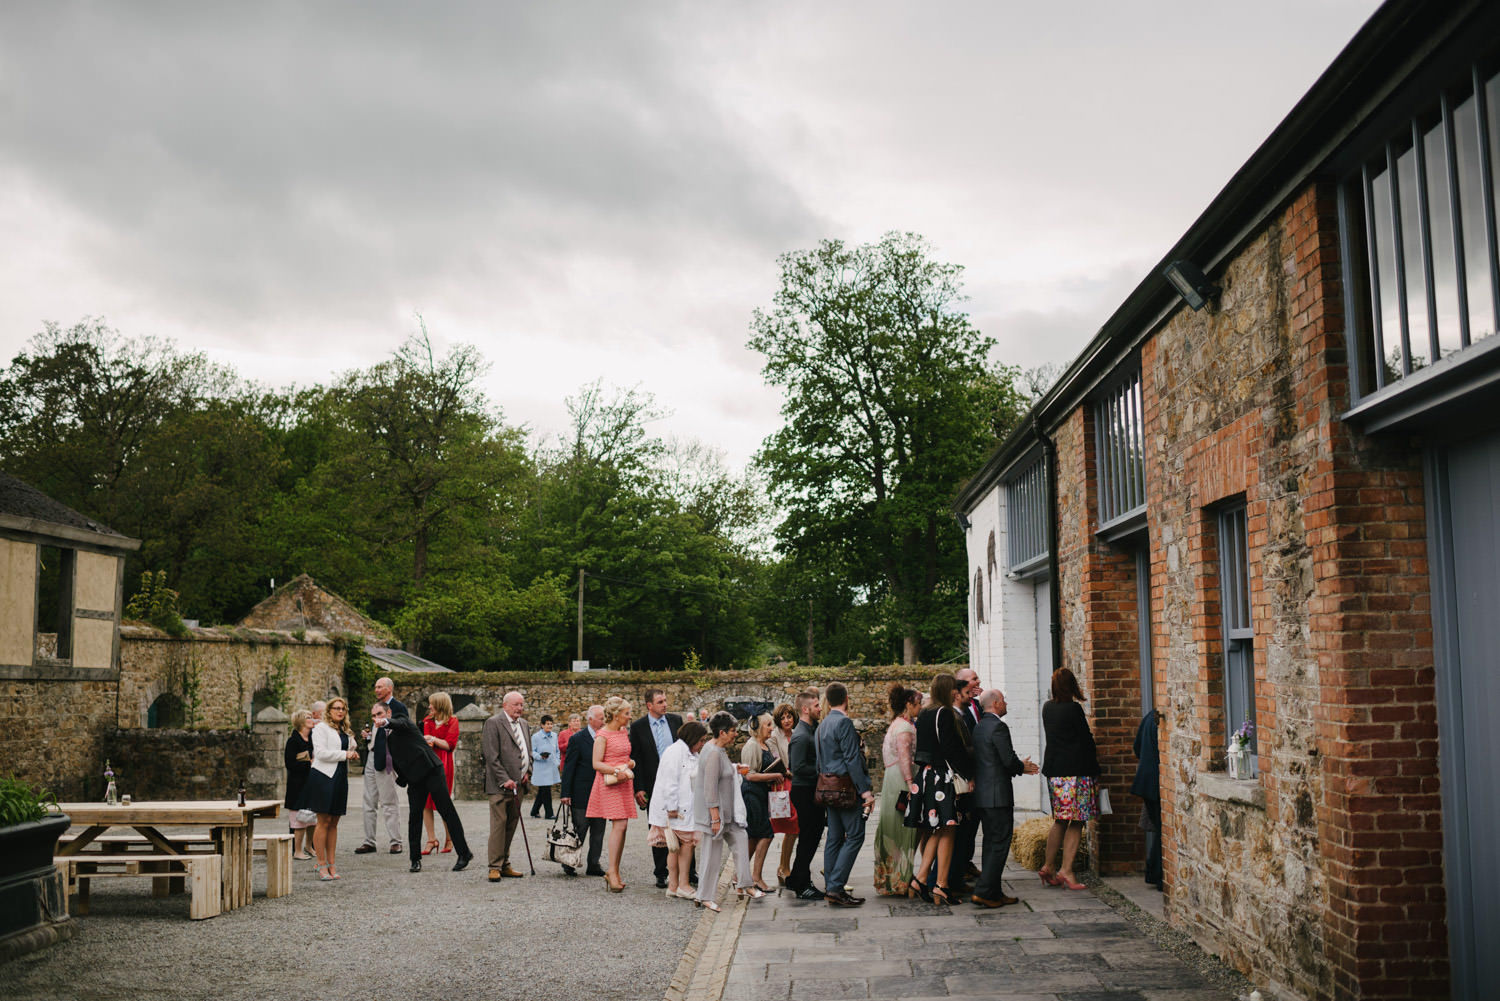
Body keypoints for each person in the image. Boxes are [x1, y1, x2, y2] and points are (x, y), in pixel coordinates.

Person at [369, 702, 474, 873]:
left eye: (380, 714)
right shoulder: (382, 733)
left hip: (431, 770)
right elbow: (395, 756)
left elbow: (398, 723)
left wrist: (386, 722)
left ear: (388, 712)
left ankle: (464, 853)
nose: (377, 719)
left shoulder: (401, 721)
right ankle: (415, 859)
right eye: (374, 716)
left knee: (446, 810)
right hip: (414, 778)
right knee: (415, 816)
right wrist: (402, 779)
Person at [907, 673, 974, 906]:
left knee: (936, 829)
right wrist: (969, 774)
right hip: (942, 778)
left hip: (925, 775)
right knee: (948, 829)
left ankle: (922, 878)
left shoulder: (924, 712)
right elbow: (951, 749)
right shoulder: (944, 713)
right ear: (948, 690)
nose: (957, 692)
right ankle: (941, 885)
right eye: (954, 688)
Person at [971, 689, 1039, 907]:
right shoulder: (998, 726)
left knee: (991, 843)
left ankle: (993, 891)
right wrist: (1022, 767)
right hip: (997, 795)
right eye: (1004, 700)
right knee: (999, 843)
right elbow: (1007, 760)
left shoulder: (979, 726)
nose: (1006, 703)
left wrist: (1018, 766)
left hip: (983, 794)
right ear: (997, 703)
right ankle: (985, 892)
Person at [692, 711, 762, 911]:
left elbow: (721, 771)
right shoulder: (713, 752)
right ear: (721, 733)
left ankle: (745, 884)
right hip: (717, 815)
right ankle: (704, 896)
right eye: (732, 731)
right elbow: (710, 786)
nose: (735, 734)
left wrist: (735, 768)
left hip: (727, 813)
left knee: (741, 840)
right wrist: (714, 817)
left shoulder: (718, 750)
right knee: (711, 856)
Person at [1040, 667, 1101, 891]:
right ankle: (1066, 870)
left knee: (1059, 820)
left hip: (1055, 772)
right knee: (1076, 821)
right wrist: (1096, 769)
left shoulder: (1047, 708)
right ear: (1071, 685)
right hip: (1076, 772)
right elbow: (1086, 741)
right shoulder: (1073, 709)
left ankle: (1048, 866)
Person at [815, 682, 873, 907]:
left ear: (827, 701)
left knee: (835, 837)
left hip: (827, 786)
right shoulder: (844, 723)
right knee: (856, 835)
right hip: (846, 788)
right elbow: (852, 759)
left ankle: (832, 886)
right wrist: (865, 792)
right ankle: (836, 886)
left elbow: (819, 761)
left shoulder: (822, 725)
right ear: (846, 698)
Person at [628, 689, 683, 889]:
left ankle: (688, 871)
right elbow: (637, 759)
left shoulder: (676, 721)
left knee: (683, 826)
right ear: (649, 705)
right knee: (658, 827)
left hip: (677, 782)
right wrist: (638, 788)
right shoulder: (638, 727)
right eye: (660, 701)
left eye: (665, 700)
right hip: (652, 784)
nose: (665, 704)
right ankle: (661, 872)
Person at [648, 720, 708, 899]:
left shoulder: (691, 753)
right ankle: (683, 884)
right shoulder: (675, 752)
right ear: (693, 738)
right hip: (675, 809)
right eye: (701, 740)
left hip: (682, 807)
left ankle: (673, 886)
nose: (703, 744)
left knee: (674, 847)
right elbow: (670, 781)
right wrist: (672, 807)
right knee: (686, 844)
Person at [306, 697, 360, 880]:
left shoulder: (344, 729)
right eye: (336, 708)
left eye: (343, 709)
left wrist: (352, 748)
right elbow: (320, 753)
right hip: (323, 776)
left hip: (340, 777)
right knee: (323, 821)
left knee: (334, 822)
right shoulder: (321, 728)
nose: (340, 711)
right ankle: (321, 865)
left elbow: (349, 745)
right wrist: (345, 754)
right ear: (329, 711)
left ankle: (332, 864)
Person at [873, 685, 919, 897]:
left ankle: (890, 878)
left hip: (892, 779)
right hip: (900, 779)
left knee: (892, 827)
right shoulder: (904, 728)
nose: (919, 707)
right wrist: (910, 784)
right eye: (917, 702)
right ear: (909, 704)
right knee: (902, 829)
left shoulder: (896, 725)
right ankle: (900, 880)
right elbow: (904, 758)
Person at [481, 691, 532, 883]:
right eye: (516, 704)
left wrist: (528, 772)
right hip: (500, 787)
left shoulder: (525, 724)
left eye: (522, 704)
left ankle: (504, 863)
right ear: (505, 705)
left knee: (511, 826)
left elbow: (527, 751)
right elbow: (490, 756)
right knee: (498, 826)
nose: (520, 708)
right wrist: (504, 779)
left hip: (519, 786)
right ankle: (494, 866)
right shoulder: (493, 723)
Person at [589, 695, 637, 892]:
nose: (629, 716)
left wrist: (630, 763)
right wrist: (617, 770)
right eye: (627, 713)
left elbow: (625, 756)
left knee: (623, 826)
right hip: (610, 783)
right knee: (620, 824)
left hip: (624, 781)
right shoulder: (602, 735)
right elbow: (596, 763)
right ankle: (612, 871)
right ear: (616, 715)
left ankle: (614, 870)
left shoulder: (623, 731)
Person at [739, 713, 788, 893]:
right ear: (758, 727)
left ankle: (740, 875)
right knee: (766, 834)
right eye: (768, 725)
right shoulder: (751, 746)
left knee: (753, 836)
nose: (771, 728)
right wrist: (774, 775)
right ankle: (756, 877)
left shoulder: (765, 744)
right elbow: (749, 775)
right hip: (752, 794)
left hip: (761, 793)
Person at [356, 679, 405, 856]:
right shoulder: (377, 713)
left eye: (379, 687)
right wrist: (368, 737)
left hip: (386, 759)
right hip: (371, 757)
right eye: (375, 686)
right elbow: (376, 736)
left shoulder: (398, 711)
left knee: (389, 802)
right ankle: (369, 841)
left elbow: (402, 732)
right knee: (368, 801)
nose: (376, 689)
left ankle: (396, 841)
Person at [785, 688, 825, 900]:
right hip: (804, 791)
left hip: (811, 789)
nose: (820, 708)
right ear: (805, 709)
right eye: (817, 705)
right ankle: (802, 884)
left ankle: (795, 878)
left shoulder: (812, 729)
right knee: (809, 838)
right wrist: (823, 770)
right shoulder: (800, 735)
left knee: (811, 836)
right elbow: (797, 767)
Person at [560, 705, 606, 877]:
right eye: (601, 718)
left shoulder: (605, 737)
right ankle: (569, 862)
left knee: (599, 831)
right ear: (590, 719)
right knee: (580, 829)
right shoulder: (578, 739)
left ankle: (593, 864)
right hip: (582, 793)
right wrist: (566, 793)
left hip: (601, 792)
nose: (603, 721)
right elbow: (569, 768)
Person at [950, 667, 984, 888]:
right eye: (973, 679)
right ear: (961, 685)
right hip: (966, 775)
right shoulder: (955, 713)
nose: (978, 681)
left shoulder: (977, 704)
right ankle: (958, 868)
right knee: (965, 822)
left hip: (979, 771)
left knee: (974, 821)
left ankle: (967, 861)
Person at [421, 692, 460, 855]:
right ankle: (431, 839)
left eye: (432, 703)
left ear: (440, 704)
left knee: (443, 803)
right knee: (425, 803)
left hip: (444, 764)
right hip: (427, 763)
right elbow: (424, 741)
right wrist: (430, 740)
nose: (429, 706)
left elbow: (449, 745)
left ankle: (449, 838)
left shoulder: (453, 721)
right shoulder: (427, 721)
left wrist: (433, 739)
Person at [1132, 707, 1162, 889]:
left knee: (1161, 830)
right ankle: (1159, 877)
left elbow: (1136, 748)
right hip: (1154, 782)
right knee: (1164, 831)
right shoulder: (1157, 719)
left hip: (1146, 781)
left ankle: (1154, 874)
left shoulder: (1149, 716)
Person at [769, 703, 798, 886]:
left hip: (798, 783)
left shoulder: (796, 734)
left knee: (795, 829)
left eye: (789, 716)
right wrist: (789, 773)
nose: (787, 720)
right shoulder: (774, 737)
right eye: (783, 718)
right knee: (792, 827)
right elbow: (776, 761)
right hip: (785, 783)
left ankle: (783, 867)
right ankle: (783, 868)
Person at [283, 709, 316, 860]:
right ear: (301, 722)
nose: (312, 719)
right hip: (297, 785)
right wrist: (309, 764)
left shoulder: (313, 739)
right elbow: (290, 764)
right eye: (309, 717)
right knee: (299, 819)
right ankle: (297, 851)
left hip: (311, 784)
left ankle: (309, 846)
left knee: (312, 818)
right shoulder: (293, 741)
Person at [530, 715, 560, 820]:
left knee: (543, 789)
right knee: (546, 789)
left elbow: (557, 750)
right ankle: (549, 813)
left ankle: (534, 811)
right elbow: (532, 751)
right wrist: (540, 756)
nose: (550, 726)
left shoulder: (555, 736)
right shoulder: (535, 737)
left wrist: (557, 761)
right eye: (547, 724)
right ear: (542, 725)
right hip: (541, 767)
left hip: (551, 766)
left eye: (551, 723)